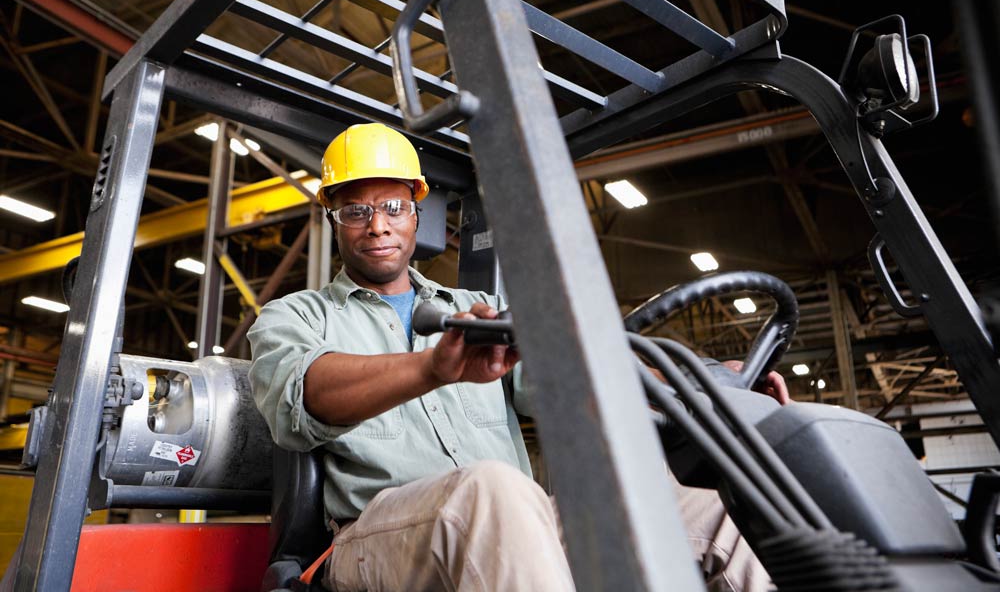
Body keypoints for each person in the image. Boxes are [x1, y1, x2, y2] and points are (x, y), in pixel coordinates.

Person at [248, 123, 787, 592]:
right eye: (356, 211)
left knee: (717, 507)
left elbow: (574, 377)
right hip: (376, 535)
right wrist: (431, 368)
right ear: (333, 219)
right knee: (492, 488)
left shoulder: (478, 312)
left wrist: (702, 384)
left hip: (520, 518)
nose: (378, 225)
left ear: (418, 214)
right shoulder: (295, 316)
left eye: (393, 207)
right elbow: (301, 398)